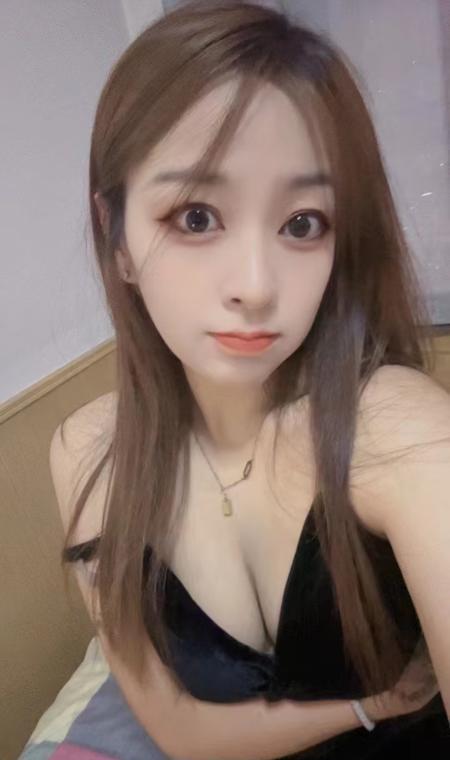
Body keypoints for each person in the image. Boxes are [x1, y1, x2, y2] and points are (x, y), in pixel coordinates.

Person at [49, 1, 450, 757]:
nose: (257, 286)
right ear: (116, 237)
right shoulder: (89, 455)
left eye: (303, 223)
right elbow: (183, 733)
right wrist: (372, 705)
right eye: (196, 217)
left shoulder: (397, 428)